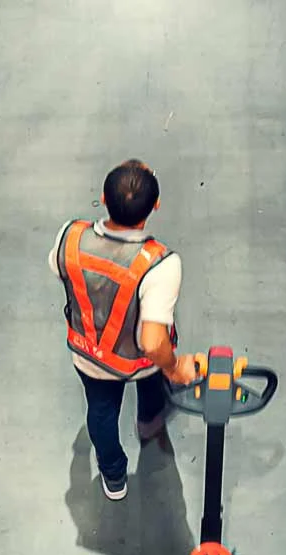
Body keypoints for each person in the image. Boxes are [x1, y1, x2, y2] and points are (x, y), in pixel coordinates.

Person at [50, 160, 198, 501]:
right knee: (152, 386)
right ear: (155, 206)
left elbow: (58, 270)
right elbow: (151, 342)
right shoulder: (161, 264)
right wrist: (175, 367)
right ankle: (149, 426)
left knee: (101, 413)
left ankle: (114, 478)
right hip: (139, 363)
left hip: (89, 356)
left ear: (103, 198)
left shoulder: (70, 238)